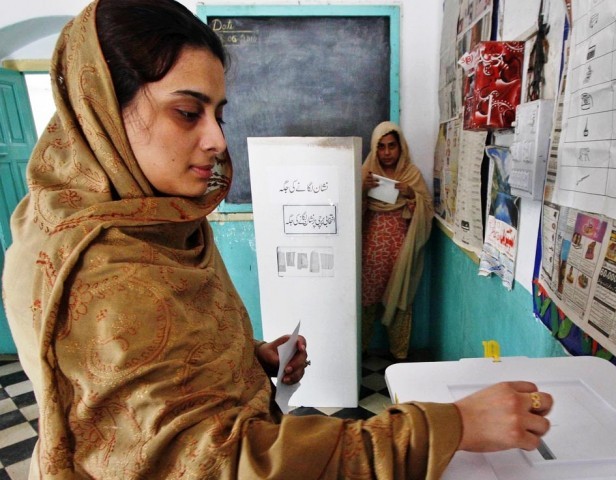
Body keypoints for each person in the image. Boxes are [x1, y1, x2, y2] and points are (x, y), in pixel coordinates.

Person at [2, 1, 553, 478]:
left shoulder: (147, 219)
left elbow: (153, 379)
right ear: (102, 110)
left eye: (219, 113)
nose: (218, 139)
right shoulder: (100, 270)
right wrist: (451, 426)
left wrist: (245, 360)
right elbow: (227, 467)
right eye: (188, 112)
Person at [361, 121, 434, 359]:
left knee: (401, 300)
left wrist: (411, 194)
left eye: (392, 146)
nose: (387, 153)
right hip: (370, 253)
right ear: (375, 148)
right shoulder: (366, 173)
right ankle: (359, 354)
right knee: (366, 303)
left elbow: (425, 210)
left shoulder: (411, 175)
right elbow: (349, 213)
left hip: (402, 250)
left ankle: (399, 355)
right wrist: (361, 188)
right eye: (381, 147)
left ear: (401, 147)